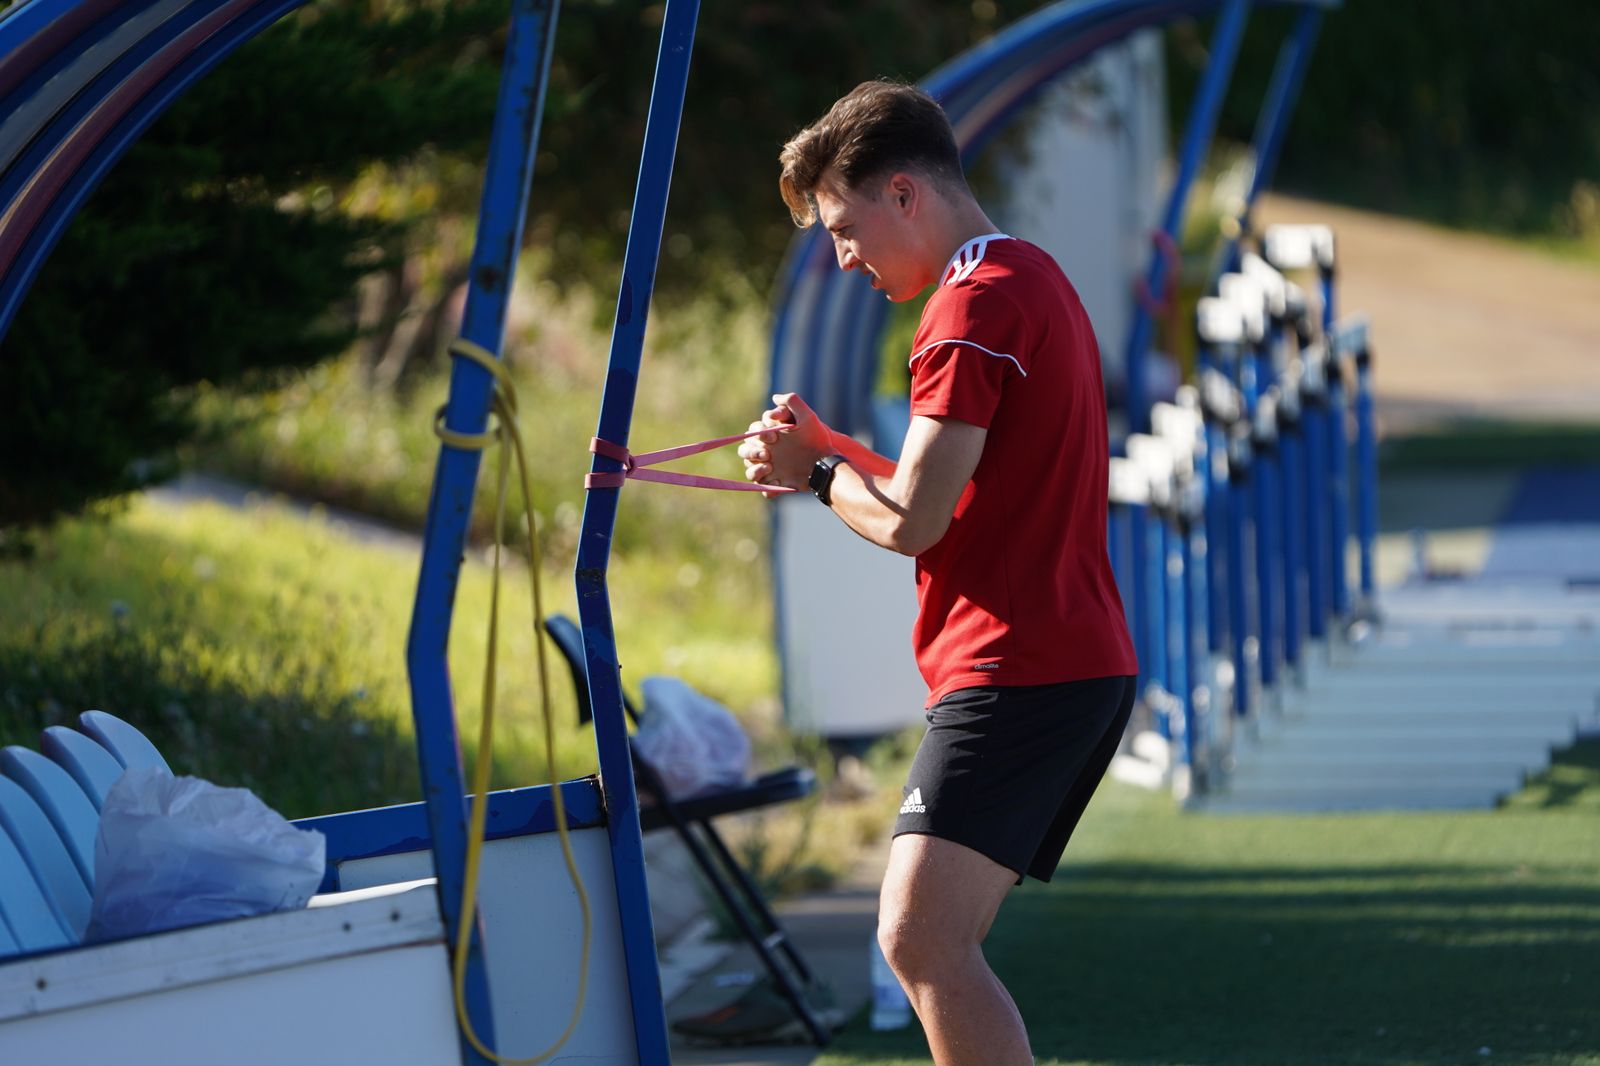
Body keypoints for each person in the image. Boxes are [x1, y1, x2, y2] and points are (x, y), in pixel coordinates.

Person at [738, 80, 1139, 1065]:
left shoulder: (968, 307)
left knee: (920, 938)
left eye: (844, 226)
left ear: (905, 193)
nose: (841, 258)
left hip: (1022, 666)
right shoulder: (1020, 276)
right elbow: (954, 496)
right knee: (928, 940)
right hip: (1052, 659)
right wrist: (832, 454)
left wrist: (818, 472)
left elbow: (915, 520)